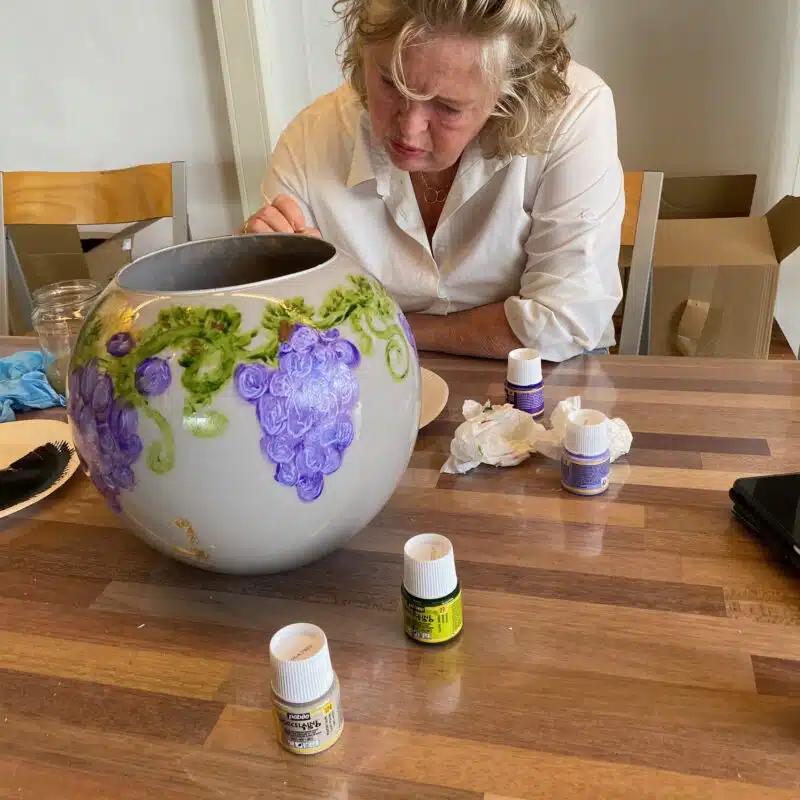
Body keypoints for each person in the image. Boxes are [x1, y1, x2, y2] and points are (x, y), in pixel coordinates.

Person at [242, 0, 625, 362]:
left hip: (547, 377)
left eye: (447, 107)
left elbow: (565, 322)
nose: (409, 131)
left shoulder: (573, 113)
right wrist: (260, 276)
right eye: (391, 83)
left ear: (509, 96)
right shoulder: (312, 138)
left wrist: (380, 327)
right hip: (368, 376)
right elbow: (280, 323)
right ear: (362, 53)